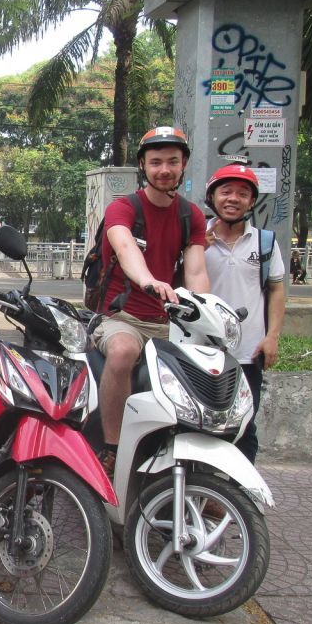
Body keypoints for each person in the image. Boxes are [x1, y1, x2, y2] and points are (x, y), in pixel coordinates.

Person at [93, 126, 210, 476]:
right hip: (121, 317)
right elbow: (124, 245)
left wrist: (205, 310)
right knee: (123, 352)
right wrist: (147, 280)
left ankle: (200, 469)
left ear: (183, 165)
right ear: (143, 165)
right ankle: (112, 449)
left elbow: (197, 272)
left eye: (172, 161)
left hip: (167, 324)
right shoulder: (122, 208)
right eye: (156, 161)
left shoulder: (192, 217)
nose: (164, 169)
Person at [204, 164, 285, 464]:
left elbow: (275, 290)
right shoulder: (196, 238)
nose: (233, 198)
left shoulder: (265, 243)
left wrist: (272, 336)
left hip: (247, 353)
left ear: (252, 201)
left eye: (243, 193)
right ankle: (204, 491)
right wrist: (196, 248)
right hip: (202, 351)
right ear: (212, 197)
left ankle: (240, 495)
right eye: (225, 191)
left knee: (245, 426)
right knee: (201, 424)